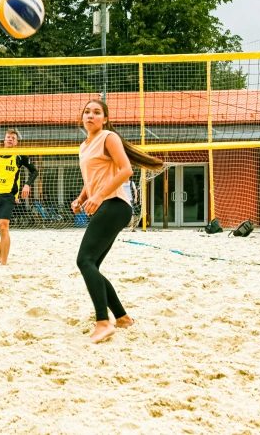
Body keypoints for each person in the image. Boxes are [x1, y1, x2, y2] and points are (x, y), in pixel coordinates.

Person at [71, 99, 164, 343]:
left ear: (105, 118)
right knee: (91, 266)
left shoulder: (108, 137)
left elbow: (125, 170)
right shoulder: (84, 145)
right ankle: (122, 318)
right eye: (87, 112)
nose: (91, 116)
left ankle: (103, 322)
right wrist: (82, 198)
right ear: (82, 117)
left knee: (84, 260)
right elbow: (92, 178)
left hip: (115, 205)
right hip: (107, 205)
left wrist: (99, 196)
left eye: (97, 112)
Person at [0, 129, 38, 265]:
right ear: (4, 140)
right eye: (8, 137)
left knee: (3, 226)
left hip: (7, 195)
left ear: (16, 142)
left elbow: (34, 171)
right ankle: (1, 249)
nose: (10, 139)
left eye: (13, 138)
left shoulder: (20, 156)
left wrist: (27, 185)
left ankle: (4, 263)